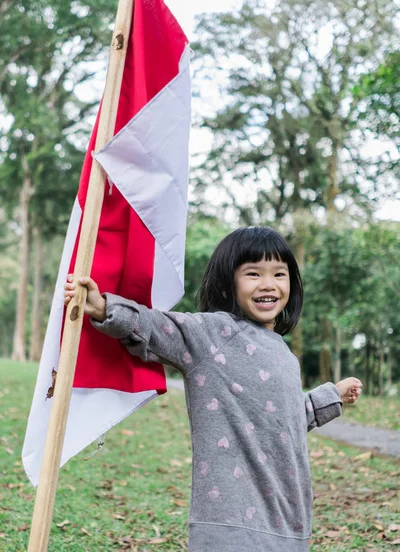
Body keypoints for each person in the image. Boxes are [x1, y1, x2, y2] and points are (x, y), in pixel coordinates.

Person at [64, 226, 362, 552]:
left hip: (288, 521)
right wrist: (105, 307)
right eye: (253, 273)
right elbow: (159, 326)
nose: (268, 284)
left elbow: (284, 419)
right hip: (229, 525)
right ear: (228, 282)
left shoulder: (286, 356)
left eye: (279, 273)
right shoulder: (214, 333)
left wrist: (332, 395)